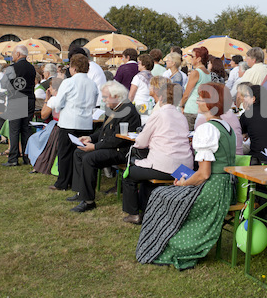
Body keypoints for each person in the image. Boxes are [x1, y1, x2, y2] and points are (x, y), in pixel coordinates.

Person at [136, 83, 236, 270]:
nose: (197, 101)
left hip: (212, 189)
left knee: (160, 195)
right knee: (164, 193)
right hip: (227, 186)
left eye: (201, 98)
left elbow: (204, 174)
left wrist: (184, 183)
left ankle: (164, 242)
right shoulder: (226, 127)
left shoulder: (207, 129)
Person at [122, 78, 193, 224]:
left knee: (130, 174)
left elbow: (141, 142)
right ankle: (148, 210)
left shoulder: (159, 114)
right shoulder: (181, 116)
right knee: (147, 178)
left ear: (160, 97)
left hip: (165, 166)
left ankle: (133, 213)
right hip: (184, 168)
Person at [69, 81, 141, 212]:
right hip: (111, 147)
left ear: (117, 96)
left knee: (89, 157)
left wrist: (95, 147)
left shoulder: (128, 110)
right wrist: (90, 138)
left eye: (106, 97)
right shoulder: (113, 108)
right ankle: (81, 192)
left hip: (121, 151)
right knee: (78, 153)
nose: (103, 99)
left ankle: (89, 201)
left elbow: (117, 139)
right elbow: (104, 131)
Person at [45, 54, 98, 186]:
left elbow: (58, 103)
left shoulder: (68, 82)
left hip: (69, 121)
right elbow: (94, 102)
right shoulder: (92, 84)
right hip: (85, 122)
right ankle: (77, 180)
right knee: (80, 154)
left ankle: (63, 182)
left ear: (73, 68)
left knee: (65, 153)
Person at [1, 44, 37, 167]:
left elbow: (4, 84)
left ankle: (13, 158)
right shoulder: (32, 68)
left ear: (17, 54)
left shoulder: (13, 68)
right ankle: (27, 157)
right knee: (26, 129)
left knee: (14, 130)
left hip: (16, 99)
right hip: (29, 99)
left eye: (12, 54)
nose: (12, 56)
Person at [239, 84, 267, 165]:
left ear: (253, 99)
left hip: (258, 158)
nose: (244, 99)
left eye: (246, 96)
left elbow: (241, 136)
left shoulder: (248, 114)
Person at [180, 46, 211, 130]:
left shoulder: (196, 73)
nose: (191, 59)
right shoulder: (208, 73)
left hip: (191, 109)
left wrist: (180, 105)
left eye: (192, 57)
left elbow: (187, 93)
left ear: (198, 59)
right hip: (202, 109)